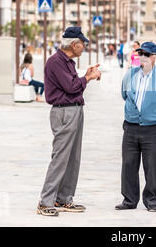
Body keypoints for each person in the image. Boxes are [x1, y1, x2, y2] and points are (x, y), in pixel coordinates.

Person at [37, 27, 101, 217]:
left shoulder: (68, 62)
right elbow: (72, 87)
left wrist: (85, 76)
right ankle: (45, 201)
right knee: (60, 157)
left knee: (73, 157)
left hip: (74, 110)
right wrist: (87, 78)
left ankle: (63, 198)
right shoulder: (56, 62)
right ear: (74, 44)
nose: (84, 47)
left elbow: (73, 86)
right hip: (64, 112)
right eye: (83, 44)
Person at [116, 42, 156, 213]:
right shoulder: (130, 75)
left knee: (151, 166)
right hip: (131, 127)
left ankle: (151, 201)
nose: (143, 57)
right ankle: (129, 200)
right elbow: (124, 94)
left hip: (153, 129)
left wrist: (155, 113)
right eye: (140, 53)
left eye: (147, 54)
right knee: (128, 164)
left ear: (154, 57)